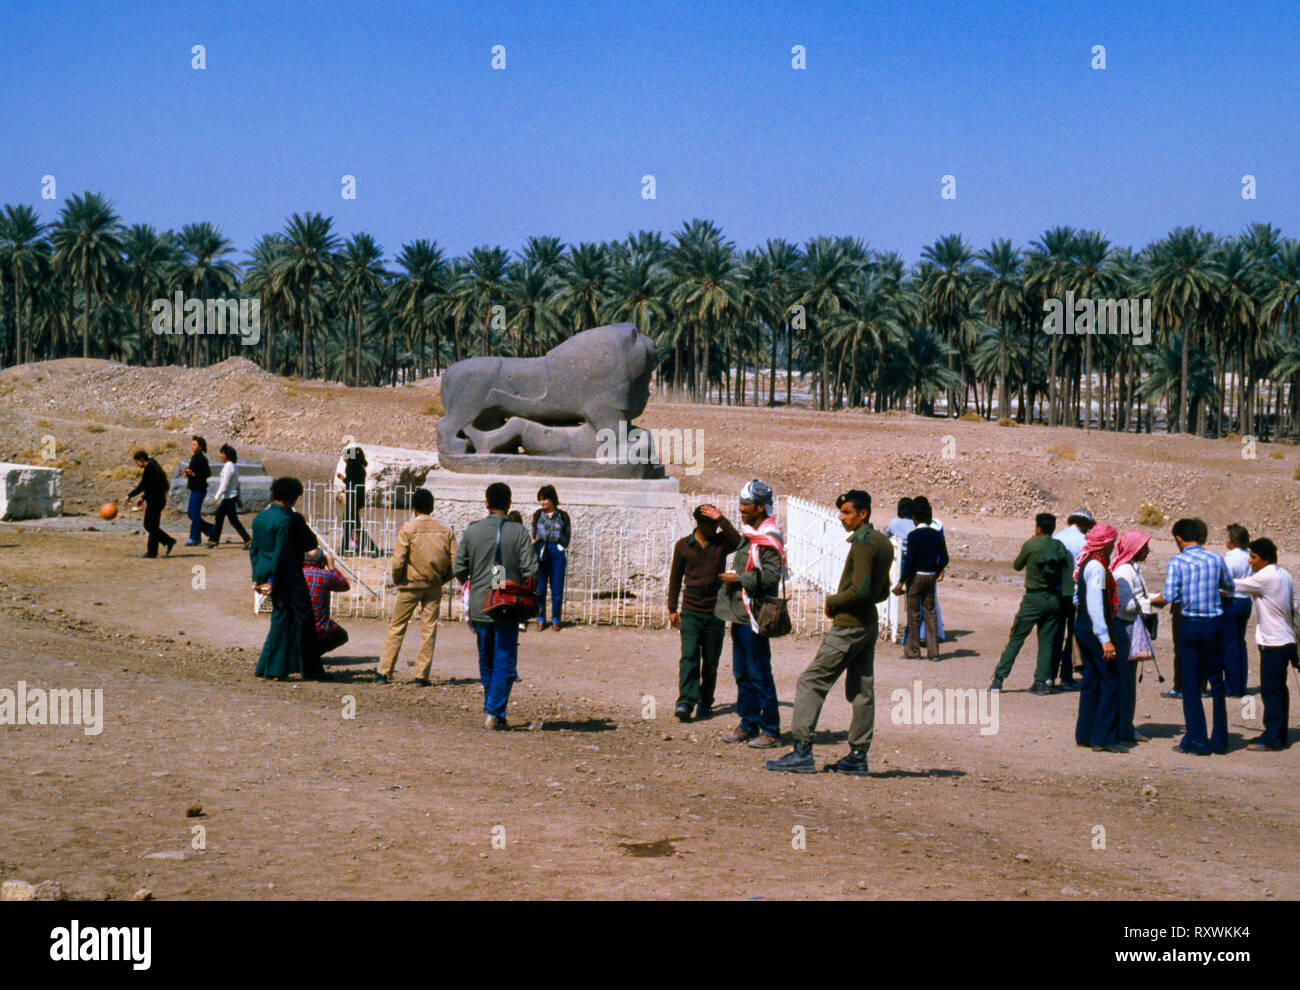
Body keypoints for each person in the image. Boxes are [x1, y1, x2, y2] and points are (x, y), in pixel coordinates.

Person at [766, 490, 894, 776]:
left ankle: (801, 750)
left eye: (847, 512)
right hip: (868, 624)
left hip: (849, 625)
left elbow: (859, 591)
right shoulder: (882, 541)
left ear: (863, 514)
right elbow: (882, 591)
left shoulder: (863, 542)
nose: (841, 518)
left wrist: (832, 603)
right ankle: (858, 756)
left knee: (810, 682)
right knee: (862, 690)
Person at [453, 482, 538, 729]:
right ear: (509, 503)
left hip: (480, 605)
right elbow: (530, 569)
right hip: (506, 605)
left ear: (486, 503)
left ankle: (491, 706)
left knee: (486, 658)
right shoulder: (520, 533)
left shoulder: (472, 532)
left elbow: (459, 568)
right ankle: (495, 711)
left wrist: (477, 583)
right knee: (505, 660)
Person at [1150, 518, 1232, 756]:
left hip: (1190, 624)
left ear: (1178, 538)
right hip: (1214, 624)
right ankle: (1219, 739)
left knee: (1191, 683)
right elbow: (1228, 585)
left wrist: (1148, 600)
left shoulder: (1177, 561)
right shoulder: (1216, 559)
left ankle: (1196, 739)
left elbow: (1168, 595)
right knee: (1216, 680)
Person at [717, 479, 785, 749]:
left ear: (760, 506)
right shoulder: (751, 532)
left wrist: (738, 580)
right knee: (742, 673)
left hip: (754, 616)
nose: (741, 508)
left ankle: (770, 729)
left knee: (759, 673)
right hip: (740, 615)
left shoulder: (768, 537)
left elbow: (769, 577)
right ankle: (748, 723)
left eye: (746, 504)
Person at [250, 476, 331, 681]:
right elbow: (282, 552)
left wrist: (259, 577)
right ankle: (306, 669)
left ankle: (267, 666)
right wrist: (274, 578)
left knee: (280, 617)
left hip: (266, 573)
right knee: (303, 620)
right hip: (288, 575)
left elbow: (255, 549)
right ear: (292, 498)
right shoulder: (288, 520)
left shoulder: (260, 518)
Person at [667, 503, 741, 722]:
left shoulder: (720, 544)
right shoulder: (682, 546)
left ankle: (705, 702)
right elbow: (675, 577)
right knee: (689, 656)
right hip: (690, 610)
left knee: (710, 661)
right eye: (710, 524)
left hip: (715, 611)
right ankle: (685, 701)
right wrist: (672, 608)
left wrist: (722, 520)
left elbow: (738, 541)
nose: (713, 528)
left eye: (715, 524)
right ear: (699, 523)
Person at [377, 488, 455, 685]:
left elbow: (398, 561)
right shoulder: (445, 531)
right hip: (434, 585)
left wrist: (399, 579)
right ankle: (422, 675)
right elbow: (455, 562)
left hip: (410, 584)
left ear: (414, 508)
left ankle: (384, 670)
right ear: (432, 506)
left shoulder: (408, 530)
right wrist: (443, 579)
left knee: (396, 627)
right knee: (429, 629)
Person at [989, 512, 1070, 694]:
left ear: (1038, 528)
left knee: (1016, 638)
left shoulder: (1031, 545)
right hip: (1053, 600)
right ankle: (1041, 682)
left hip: (1033, 599)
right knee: (1046, 642)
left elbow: (1017, 565)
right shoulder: (1058, 547)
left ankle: (999, 679)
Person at [1232, 538, 1299, 751]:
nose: (1250, 561)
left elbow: (1233, 586)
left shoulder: (1265, 576)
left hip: (1274, 642)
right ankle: (1278, 733)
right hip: (1286, 639)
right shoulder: (1283, 574)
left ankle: (1272, 738)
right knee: (1279, 689)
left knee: (1271, 690)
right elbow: (1295, 603)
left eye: (1254, 557)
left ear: (1265, 558)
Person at [1072, 522, 1125, 753]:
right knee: (1111, 683)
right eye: (1112, 543)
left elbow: (1078, 599)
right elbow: (1095, 605)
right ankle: (1104, 738)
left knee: (1091, 682)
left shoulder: (1086, 563)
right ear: (1105, 543)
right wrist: (1105, 638)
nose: (1113, 547)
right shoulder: (1096, 567)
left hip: (1083, 628)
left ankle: (1086, 733)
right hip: (1095, 631)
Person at [1111, 530, 1153, 743]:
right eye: (1144, 547)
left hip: (1132, 627)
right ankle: (1123, 728)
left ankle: (1124, 725)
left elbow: (1137, 597)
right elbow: (1125, 605)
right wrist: (1152, 603)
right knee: (1125, 681)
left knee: (1128, 681)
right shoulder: (1123, 572)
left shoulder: (1132, 570)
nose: (1148, 551)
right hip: (1126, 628)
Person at [893, 496, 947, 661]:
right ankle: (934, 652)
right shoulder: (936, 535)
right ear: (930, 518)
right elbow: (944, 558)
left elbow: (909, 562)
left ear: (915, 519)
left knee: (913, 614)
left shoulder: (913, 535)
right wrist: (937, 571)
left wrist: (901, 582)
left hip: (916, 578)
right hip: (930, 577)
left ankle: (913, 651)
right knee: (930, 613)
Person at [1050, 509, 1094, 691]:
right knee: (1071, 636)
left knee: (1055, 635)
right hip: (1076, 594)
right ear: (1085, 525)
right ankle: (1066, 676)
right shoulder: (1086, 541)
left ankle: (1049, 676)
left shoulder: (1057, 536)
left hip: (1056, 591)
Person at [531, 485, 571, 631]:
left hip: (556, 552)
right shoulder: (537, 515)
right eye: (540, 500)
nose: (542, 503)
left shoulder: (563, 516)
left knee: (557, 588)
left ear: (552, 499)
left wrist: (559, 547)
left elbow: (567, 536)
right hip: (541, 551)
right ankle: (540, 617)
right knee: (540, 589)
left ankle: (556, 618)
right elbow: (534, 533)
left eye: (545, 499)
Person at [1221, 524, 1253, 697]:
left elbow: (1224, 583)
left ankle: (1232, 685)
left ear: (1232, 540)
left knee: (1230, 644)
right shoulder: (1249, 556)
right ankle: (1240, 683)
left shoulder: (1230, 559)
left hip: (1231, 601)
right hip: (1245, 601)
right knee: (1240, 643)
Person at [125, 450, 175, 558]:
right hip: (157, 499)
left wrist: (129, 495)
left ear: (141, 460)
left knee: (150, 525)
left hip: (155, 501)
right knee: (152, 526)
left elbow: (142, 486)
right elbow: (152, 486)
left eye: (137, 462)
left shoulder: (149, 468)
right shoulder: (153, 465)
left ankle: (166, 542)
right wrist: (143, 497)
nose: (137, 465)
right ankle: (154, 550)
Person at [303, 548, 351, 657]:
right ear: (322, 561)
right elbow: (344, 585)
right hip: (318, 630)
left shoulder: (296, 573)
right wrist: (331, 567)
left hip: (295, 627)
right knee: (341, 635)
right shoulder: (326, 576)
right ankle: (311, 656)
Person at [337, 445, 377, 556]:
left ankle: (345, 548)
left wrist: (344, 482)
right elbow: (354, 483)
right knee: (355, 524)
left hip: (353, 498)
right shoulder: (360, 467)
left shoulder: (351, 467)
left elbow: (351, 483)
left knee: (348, 522)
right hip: (357, 498)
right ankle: (370, 547)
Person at [206, 444, 250, 547]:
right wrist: (238, 499)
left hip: (229, 498)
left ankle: (247, 539)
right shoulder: (233, 466)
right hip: (230, 497)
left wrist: (216, 497)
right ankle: (214, 540)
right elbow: (237, 484)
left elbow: (224, 485)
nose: (221, 455)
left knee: (232, 520)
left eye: (222, 453)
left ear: (227, 455)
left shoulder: (228, 466)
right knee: (220, 517)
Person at [179, 436, 214, 546]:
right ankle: (211, 530)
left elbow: (207, 473)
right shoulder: (195, 457)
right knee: (192, 513)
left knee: (194, 513)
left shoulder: (201, 458)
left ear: (200, 447)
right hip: (195, 489)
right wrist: (187, 473)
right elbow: (194, 472)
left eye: (194, 445)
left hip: (199, 489)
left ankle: (195, 538)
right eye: (192, 444)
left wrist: (193, 474)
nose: (192, 447)